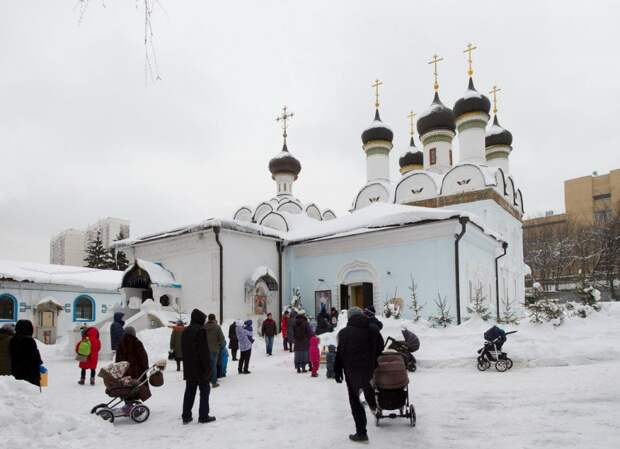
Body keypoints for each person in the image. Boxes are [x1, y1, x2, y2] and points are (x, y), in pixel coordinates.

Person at [334, 307, 384, 443]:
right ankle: (372, 401)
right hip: (368, 369)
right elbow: (381, 346)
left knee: (355, 401)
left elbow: (339, 354)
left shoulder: (343, 333)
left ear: (349, 318)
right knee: (367, 384)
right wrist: (373, 357)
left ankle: (361, 433)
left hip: (351, 372)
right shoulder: (372, 329)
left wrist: (337, 370)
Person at [181, 309, 215, 424]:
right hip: (200, 368)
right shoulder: (200, 331)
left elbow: (184, 350)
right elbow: (203, 352)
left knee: (189, 392)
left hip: (189, 368)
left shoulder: (186, 331)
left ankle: (186, 416)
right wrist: (208, 367)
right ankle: (203, 416)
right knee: (204, 391)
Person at [115, 326, 151, 402]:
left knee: (126, 387)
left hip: (125, 370)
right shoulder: (137, 342)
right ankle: (134, 402)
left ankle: (127, 402)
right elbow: (143, 357)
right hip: (137, 370)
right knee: (137, 386)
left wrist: (118, 369)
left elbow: (118, 358)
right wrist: (145, 367)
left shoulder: (121, 343)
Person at [10, 320, 43, 387]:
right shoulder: (29, 341)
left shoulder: (13, 339)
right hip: (30, 374)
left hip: (16, 372)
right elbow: (36, 358)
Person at [205, 314, 225, 388]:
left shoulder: (204, 327)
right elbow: (222, 339)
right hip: (214, 350)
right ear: (214, 319)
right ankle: (214, 382)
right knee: (213, 366)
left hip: (205, 350)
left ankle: (206, 381)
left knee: (206, 366)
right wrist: (220, 345)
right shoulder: (217, 327)